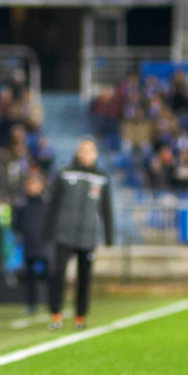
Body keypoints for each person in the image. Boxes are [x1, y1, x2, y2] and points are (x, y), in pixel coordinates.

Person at [45, 138, 113, 331]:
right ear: (78, 152)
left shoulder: (101, 178)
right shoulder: (65, 174)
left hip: (87, 236)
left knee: (84, 279)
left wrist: (109, 237)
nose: (86, 154)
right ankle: (55, 314)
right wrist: (48, 232)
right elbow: (53, 204)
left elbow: (106, 209)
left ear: (95, 155)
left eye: (90, 150)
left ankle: (80, 316)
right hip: (63, 234)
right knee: (57, 275)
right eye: (83, 150)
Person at [12, 173, 49, 313]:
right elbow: (16, 224)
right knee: (29, 276)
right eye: (30, 184)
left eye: (35, 184)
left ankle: (51, 302)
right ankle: (31, 304)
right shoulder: (21, 204)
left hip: (45, 244)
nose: (32, 187)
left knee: (48, 274)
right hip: (29, 244)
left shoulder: (47, 204)